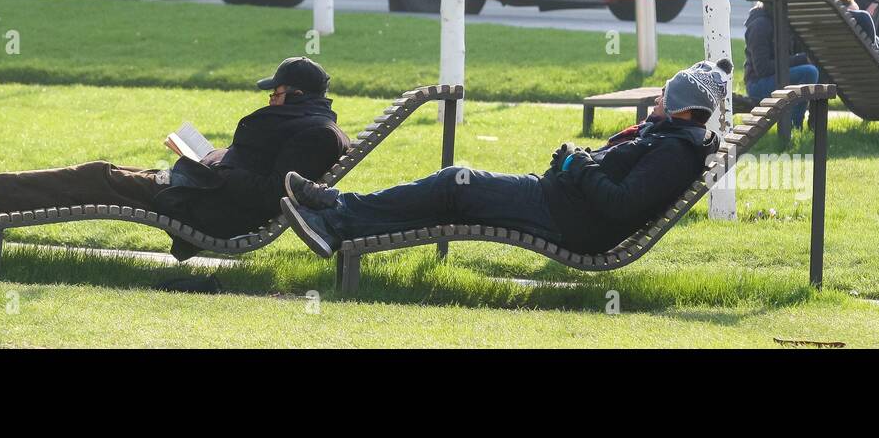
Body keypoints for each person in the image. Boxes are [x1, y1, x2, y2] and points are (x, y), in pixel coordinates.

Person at [279, 60, 731, 258]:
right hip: (558, 203)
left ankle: (335, 218)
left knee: (454, 184)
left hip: (566, 219)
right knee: (451, 191)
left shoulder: (674, 152)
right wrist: (576, 161)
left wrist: (579, 165)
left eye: (664, 96)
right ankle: (335, 210)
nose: (655, 100)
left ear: (683, 107)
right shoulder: (670, 138)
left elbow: (621, 204)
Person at [0, 56, 349, 260]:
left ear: (295, 95)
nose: (270, 99)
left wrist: (216, 165)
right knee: (103, 174)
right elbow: (261, 173)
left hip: (212, 208)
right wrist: (211, 157)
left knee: (98, 177)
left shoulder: (315, 136)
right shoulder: (308, 123)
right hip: (203, 188)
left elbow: (269, 195)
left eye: (274, 93)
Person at [744, 0, 820, 128]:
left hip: (780, 77)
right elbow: (762, 69)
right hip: (758, 84)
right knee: (809, 71)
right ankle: (794, 124)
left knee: (816, 66)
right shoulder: (761, 24)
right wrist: (801, 59)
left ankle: (813, 124)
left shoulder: (788, 20)